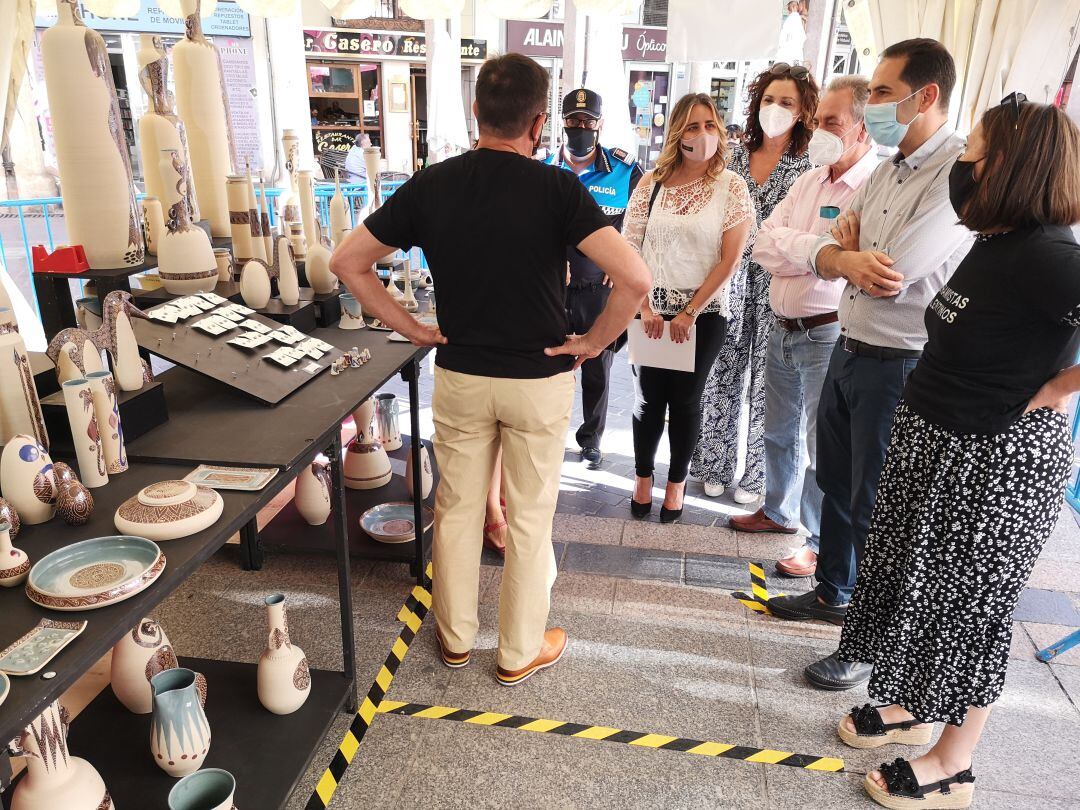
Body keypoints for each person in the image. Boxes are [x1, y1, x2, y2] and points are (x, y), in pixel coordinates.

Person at [330, 53, 651, 686]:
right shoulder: (559, 187)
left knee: (455, 509)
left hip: (461, 376)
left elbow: (348, 261)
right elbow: (634, 278)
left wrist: (414, 329)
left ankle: (453, 640)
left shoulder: (433, 184)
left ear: (475, 112)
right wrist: (590, 342)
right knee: (529, 518)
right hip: (537, 380)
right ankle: (516, 652)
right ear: (540, 122)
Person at [834, 98, 1080, 810]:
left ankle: (954, 764)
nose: (963, 164)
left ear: (1011, 164)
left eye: (974, 151)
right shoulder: (998, 239)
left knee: (969, 608)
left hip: (995, 460)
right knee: (917, 583)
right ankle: (912, 705)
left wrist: (1055, 389)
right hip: (937, 441)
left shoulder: (1051, 255)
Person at [766, 39, 975, 693]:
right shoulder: (889, 168)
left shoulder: (954, 172)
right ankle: (832, 591)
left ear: (926, 96)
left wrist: (850, 255)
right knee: (833, 481)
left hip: (899, 362)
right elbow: (843, 243)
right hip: (851, 351)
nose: (875, 105)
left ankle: (868, 645)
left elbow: (892, 271)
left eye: (882, 94)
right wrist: (842, 255)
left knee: (878, 505)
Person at [729, 76, 878, 578]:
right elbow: (762, 243)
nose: (820, 132)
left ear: (863, 129)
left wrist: (814, 254)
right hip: (783, 322)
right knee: (778, 430)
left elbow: (845, 262)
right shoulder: (810, 179)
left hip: (827, 330)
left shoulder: (871, 187)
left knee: (823, 443)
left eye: (831, 123)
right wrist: (819, 252)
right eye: (818, 122)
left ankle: (816, 540)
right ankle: (777, 510)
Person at [623, 93, 754, 523]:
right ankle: (643, 478)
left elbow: (729, 259)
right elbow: (630, 248)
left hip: (703, 314)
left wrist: (689, 312)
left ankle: (675, 484)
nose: (703, 134)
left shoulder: (731, 187)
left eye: (710, 125)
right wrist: (644, 307)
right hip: (651, 311)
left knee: (685, 401)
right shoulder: (651, 182)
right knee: (646, 401)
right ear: (678, 132)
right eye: (693, 126)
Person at [691, 63, 818, 502]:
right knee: (720, 370)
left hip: (782, 281)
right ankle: (713, 460)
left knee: (771, 380)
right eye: (768, 100)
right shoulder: (734, 156)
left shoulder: (808, 166)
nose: (775, 109)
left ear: (803, 112)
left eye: (787, 102)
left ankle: (757, 475)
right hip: (728, 278)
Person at [544, 88, 644, 469]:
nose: (580, 128)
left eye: (587, 122)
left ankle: (591, 440)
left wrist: (622, 261)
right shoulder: (546, 169)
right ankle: (549, 433)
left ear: (600, 124)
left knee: (597, 367)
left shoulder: (624, 170)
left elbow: (640, 223)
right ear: (562, 123)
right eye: (573, 121)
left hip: (598, 290)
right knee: (551, 364)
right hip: (551, 289)